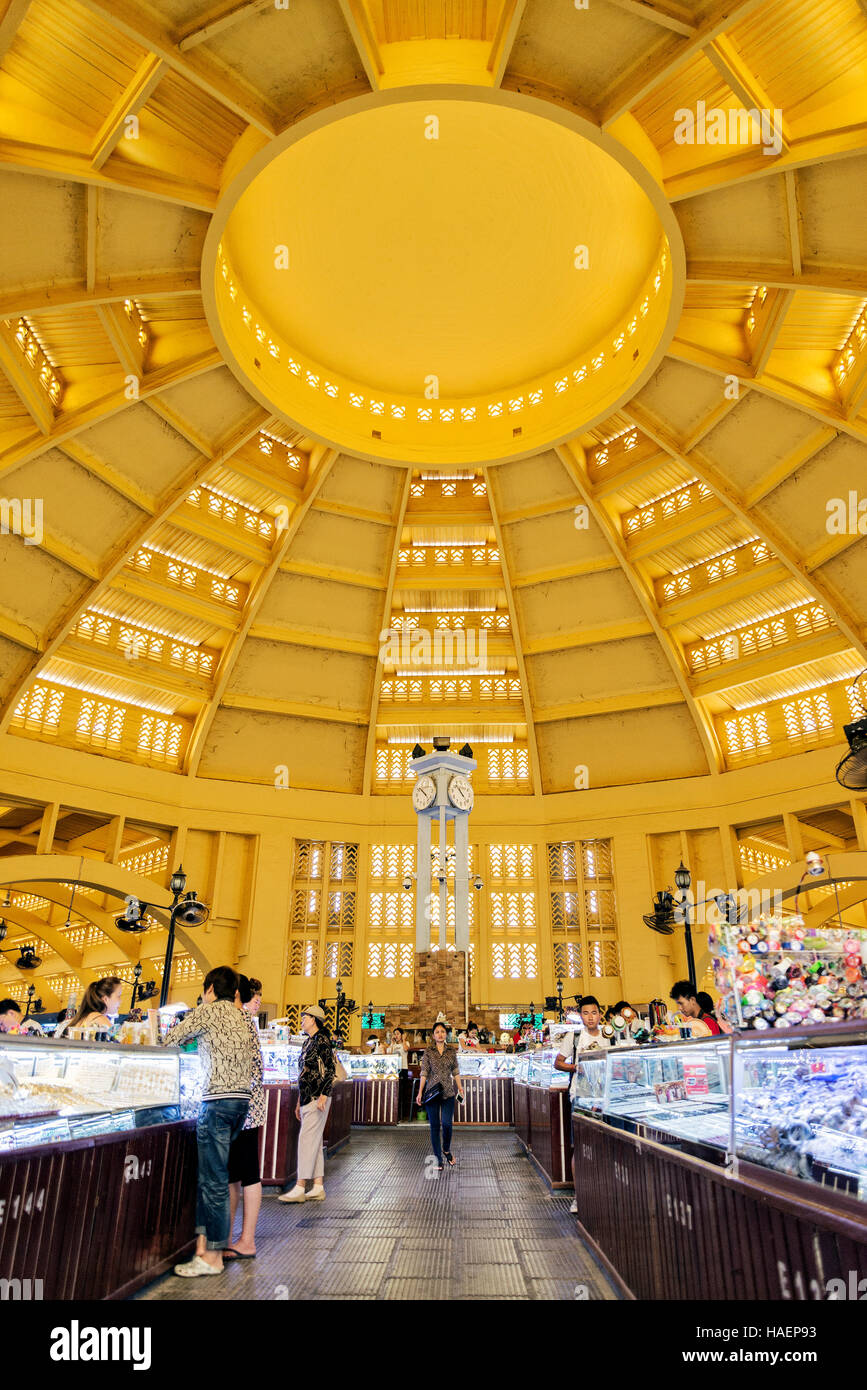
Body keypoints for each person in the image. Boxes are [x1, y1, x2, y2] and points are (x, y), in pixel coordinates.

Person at [162, 966, 255, 1277]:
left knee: (213, 1182)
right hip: (241, 1103)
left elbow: (169, 1039)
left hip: (216, 1102)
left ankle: (213, 1257)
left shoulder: (209, 1011)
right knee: (215, 1178)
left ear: (211, 989)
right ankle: (204, 1248)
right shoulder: (241, 1016)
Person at [554, 996, 612, 1214]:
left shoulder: (610, 1035)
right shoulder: (575, 1037)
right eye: (586, 1013)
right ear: (581, 1015)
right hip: (580, 1096)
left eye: (594, 1012)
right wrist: (575, 1067)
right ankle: (579, 1196)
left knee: (605, 1145)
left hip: (605, 1097)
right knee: (579, 1144)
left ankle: (604, 1192)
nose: (590, 1017)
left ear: (600, 1014)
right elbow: (558, 1062)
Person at [279, 1004, 335, 1204]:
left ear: (314, 1020)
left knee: (306, 1141)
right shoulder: (307, 1043)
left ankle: (300, 1186)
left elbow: (330, 1069)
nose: (301, 1020)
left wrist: (323, 1095)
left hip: (316, 1098)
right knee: (315, 1141)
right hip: (305, 1098)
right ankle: (318, 1186)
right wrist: (297, 1101)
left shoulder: (322, 1041)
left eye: (304, 1017)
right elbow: (302, 1074)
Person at [226, 974, 265, 1261]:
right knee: (242, 1174)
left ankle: (239, 1239)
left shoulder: (235, 1020)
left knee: (239, 1174)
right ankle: (235, 1238)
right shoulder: (247, 1023)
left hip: (239, 1108)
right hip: (250, 1108)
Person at [417, 1016, 465, 1170]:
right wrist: (420, 1092)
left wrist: (460, 1087)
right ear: (433, 1035)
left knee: (447, 1124)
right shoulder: (428, 1051)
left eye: (442, 1031)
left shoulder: (451, 1050)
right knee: (435, 1126)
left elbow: (455, 1070)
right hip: (432, 1092)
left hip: (448, 1093)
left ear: (446, 1034)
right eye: (437, 1032)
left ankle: (446, 1149)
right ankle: (438, 1158)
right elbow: (424, 1072)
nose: (440, 1034)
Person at [54, 976, 123, 1038]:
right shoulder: (100, 1019)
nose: (121, 1001)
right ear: (105, 999)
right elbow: (121, 1042)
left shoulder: (81, 1018)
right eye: (119, 996)